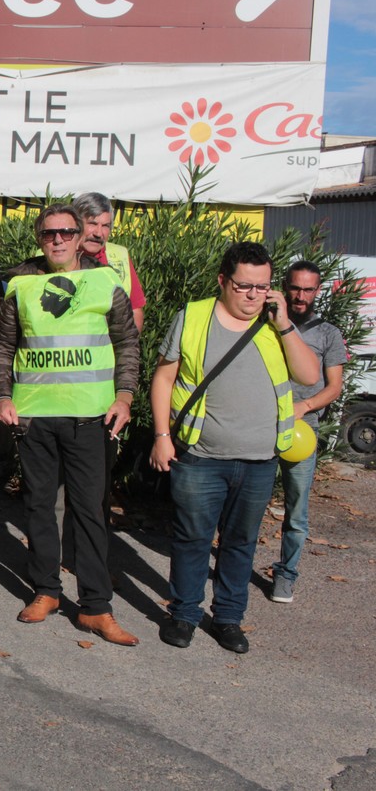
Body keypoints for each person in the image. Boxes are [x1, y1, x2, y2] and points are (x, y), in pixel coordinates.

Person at [150, 242, 318, 653]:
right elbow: (164, 378)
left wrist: (284, 326)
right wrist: (161, 436)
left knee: (240, 544)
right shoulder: (193, 317)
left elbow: (310, 375)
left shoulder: (276, 325)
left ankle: (228, 619)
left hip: (260, 459)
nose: (253, 295)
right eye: (244, 286)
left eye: (262, 288)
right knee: (192, 539)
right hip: (200, 457)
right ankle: (184, 615)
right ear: (223, 281)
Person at [0, 204, 141, 645]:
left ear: (81, 237)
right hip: (35, 415)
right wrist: (2, 396)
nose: (57, 240)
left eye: (66, 232)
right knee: (38, 507)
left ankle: (95, 607)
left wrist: (125, 397)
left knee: (91, 513)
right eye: (49, 233)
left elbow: (127, 343)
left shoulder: (106, 281)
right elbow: (2, 347)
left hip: (92, 417)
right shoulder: (20, 287)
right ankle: (46, 591)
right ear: (40, 238)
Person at [270, 261, 346, 603]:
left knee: (296, 510)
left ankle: (285, 575)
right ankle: (233, 566)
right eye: (295, 288)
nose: (300, 296)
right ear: (285, 287)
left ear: (318, 291)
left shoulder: (328, 333)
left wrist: (304, 407)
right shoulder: (267, 323)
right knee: (242, 502)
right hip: (261, 424)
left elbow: (334, 388)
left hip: (303, 430)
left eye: (307, 290)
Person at [71, 193, 145, 332]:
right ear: (75, 223)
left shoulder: (119, 256)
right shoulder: (53, 254)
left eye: (105, 226)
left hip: (108, 351)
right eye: (92, 224)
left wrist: (126, 350)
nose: (99, 233)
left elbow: (135, 310)